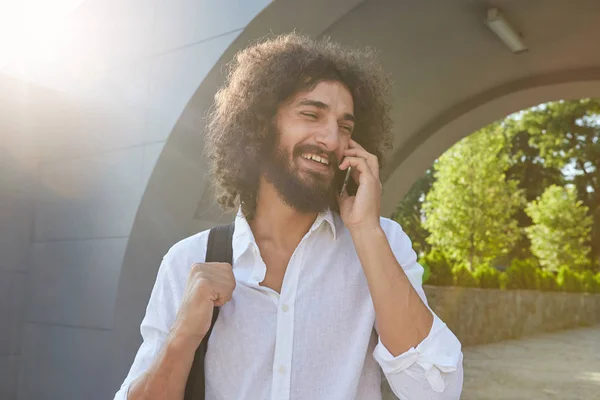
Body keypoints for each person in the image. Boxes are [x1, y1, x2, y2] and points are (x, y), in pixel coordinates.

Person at [114, 33, 463, 400]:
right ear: (261, 124)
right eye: (311, 115)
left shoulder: (382, 243)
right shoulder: (187, 260)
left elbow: (434, 392)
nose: (332, 139)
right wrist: (183, 334)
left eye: (346, 127)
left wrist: (366, 232)